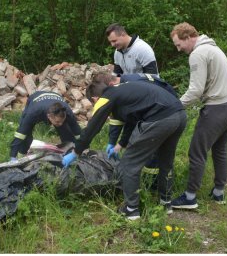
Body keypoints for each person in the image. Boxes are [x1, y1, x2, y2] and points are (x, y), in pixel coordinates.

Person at [62, 79, 187, 220]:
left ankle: (131, 210)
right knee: (166, 162)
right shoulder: (124, 90)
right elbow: (133, 120)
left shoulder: (105, 98)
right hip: (179, 114)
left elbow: (92, 127)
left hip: (160, 118)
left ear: (95, 98)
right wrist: (119, 145)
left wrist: (75, 152)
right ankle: (166, 203)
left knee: (129, 164)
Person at [170, 22, 227, 209]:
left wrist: (174, 106)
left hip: (218, 108)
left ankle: (190, 197)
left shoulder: (198, 54)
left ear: (187, 37)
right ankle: (218, 192)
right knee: (220, 148)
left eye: (178, 44)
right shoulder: (211, 48)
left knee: (196, 151)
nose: (178, 49)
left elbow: (195, 90)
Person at [9, 91, 81, 162]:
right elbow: (20, 134)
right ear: (49, 116)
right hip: (35, 99)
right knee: (26, 133)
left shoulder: (67, 112)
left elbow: (77, 131)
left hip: (54, 97)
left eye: (62, 120)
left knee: (66, 131)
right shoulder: (33, 112)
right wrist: (13, 156)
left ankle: (68, 154)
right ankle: (22, 155)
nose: (61, 123)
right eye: (58, 121)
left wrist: (81, 147)